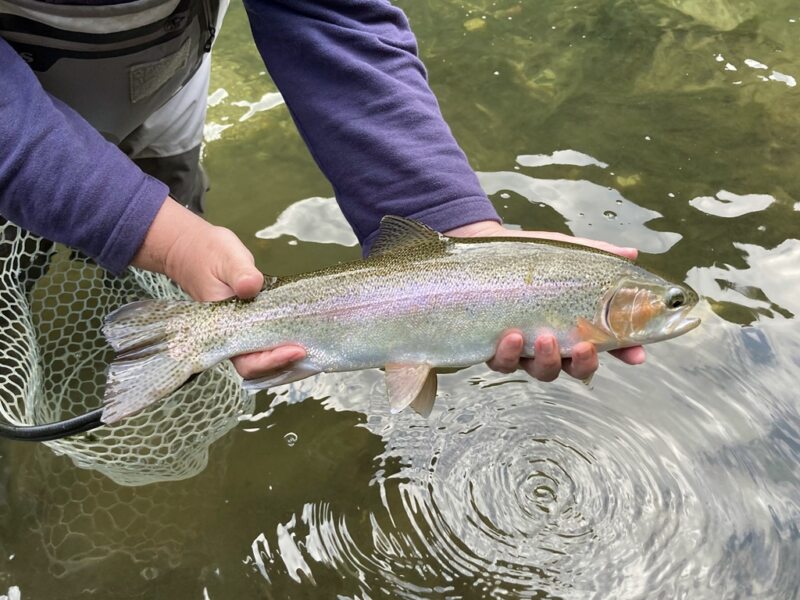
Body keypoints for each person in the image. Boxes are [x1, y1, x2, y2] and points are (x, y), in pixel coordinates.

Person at [0, 0, 644, 391]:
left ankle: (137, 311)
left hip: (165, 78)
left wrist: (448, 229)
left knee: (163, 212)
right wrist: (161, 238)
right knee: (36, 251)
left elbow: (332, 15)